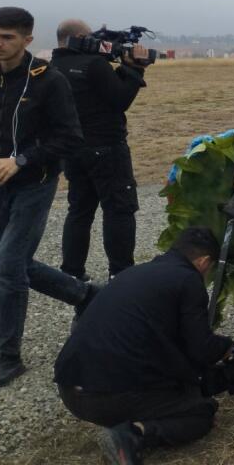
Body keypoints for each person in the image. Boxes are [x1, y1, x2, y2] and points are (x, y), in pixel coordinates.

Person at [55, 227, 234, 464]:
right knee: (201, 411)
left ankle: (125, 424)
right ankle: (132, 436)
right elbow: (200, 348)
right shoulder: (188, 279)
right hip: (103, 397)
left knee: (181, 391)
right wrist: (227, 347)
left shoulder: (136, 273)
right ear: (204, 261)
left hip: (70, 387)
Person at [0, 7, 96, 392]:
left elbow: (70, 137)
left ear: (27, 40)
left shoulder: (49, 81)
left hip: (35, 183)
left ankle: (8, 357)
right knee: (18, 266)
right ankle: (86, 295)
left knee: (6, 269)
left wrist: (20, 161)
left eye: (7, 37)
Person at [49, 20, 149, 281]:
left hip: (72, 151)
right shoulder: (93, 65)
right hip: (106, 147)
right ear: (81, 37)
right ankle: (121, 273)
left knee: (79, 210)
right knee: (119, 209)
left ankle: (71, 272)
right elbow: (120, 99)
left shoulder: (53, 67)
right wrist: (134, 68)